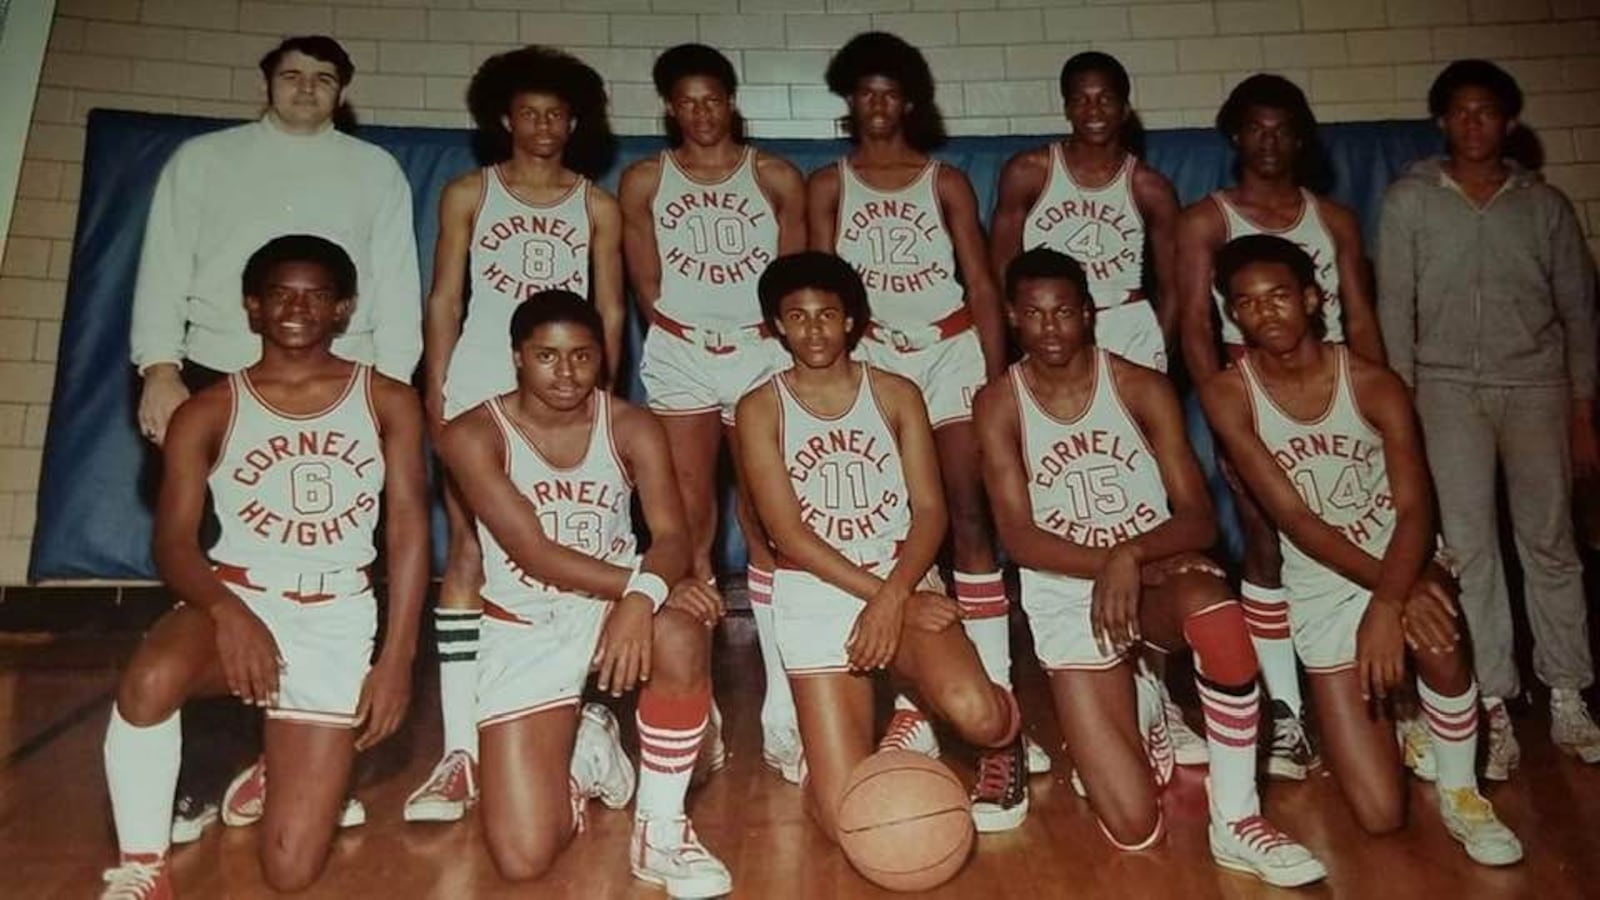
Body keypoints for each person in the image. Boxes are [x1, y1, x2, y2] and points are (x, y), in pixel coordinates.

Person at [129, 34, 421, 838]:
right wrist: (158, 366)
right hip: (222, 377)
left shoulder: (373, 171)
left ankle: (299, 754)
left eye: (323, 79)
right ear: (267, 82)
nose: (306, 89)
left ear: (342, 92)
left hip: (341, 390)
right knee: (213, 583)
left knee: (328, 556)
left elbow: (396, 278)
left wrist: (383, 396)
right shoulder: (204, 159)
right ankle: (202, 770)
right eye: (292, 75)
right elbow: (162, 263)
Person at [974, 248, 1323, 885]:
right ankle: (1144, 702)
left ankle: (1238, 820)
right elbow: (1019, 538)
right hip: (1065, 595)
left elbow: (1198, 518)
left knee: (1217, 612)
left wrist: (1133, 556)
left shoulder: (1139, 386)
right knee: (1134, 829)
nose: (1050, 329)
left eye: (1064, 313)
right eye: (1034, 315)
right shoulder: (999, 403)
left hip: (1156, 577)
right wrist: (1113, 563)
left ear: (1088, 313)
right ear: (1012, 318)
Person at [99, 235, 429, 899]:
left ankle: (276, 766)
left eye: (315, 295)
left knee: (290, 870)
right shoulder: (209, 410)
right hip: (240, 600)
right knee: (150, 678)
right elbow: (173, 545)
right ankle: (145, 868)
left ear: (342, 310)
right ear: (252, 307)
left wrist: (395, 661)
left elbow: (409, 533)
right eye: (280, 293)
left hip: (337, 616)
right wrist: (228, 611)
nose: (296, 307)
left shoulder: (387, 399)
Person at [1201, 234, 1524, 867]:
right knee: (1378, 816)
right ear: (1232, 315)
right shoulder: (1227, 394)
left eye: (1280, 297)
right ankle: (1402, 721)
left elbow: (1414, 509)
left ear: (1314, 298)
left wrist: (1394, 598)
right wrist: (1385, 601)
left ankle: (1463, 790)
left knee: (1434, 624)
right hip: (1320, 577)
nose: (1266, 313)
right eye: (1247, 303)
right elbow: (1293, 517)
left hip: (1398, 553)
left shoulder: (1374, 383)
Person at [808, 32, 1035, 826]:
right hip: (867, 357)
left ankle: (993, 685)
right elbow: (818, 284)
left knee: (968, 515)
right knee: (895, 516)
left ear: (910, 102)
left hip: (945, 349)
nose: (877, 106)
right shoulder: (829, 184)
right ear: (849, 102)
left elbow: (980, 276)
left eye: (890, 93)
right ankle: (917, 694)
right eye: (863, 93)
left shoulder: (943, 181)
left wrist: (997, 370)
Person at [438, 291, 731, 897]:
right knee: (522, 857)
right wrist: (639, 590)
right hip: (524, 623)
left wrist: (645, 598)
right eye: (547, 356)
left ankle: (660, 831)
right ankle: (589, 751)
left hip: (610, 608)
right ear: (517, 356)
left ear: (605, 358)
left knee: (680, 630)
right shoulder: (471, 435)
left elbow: (673, 534)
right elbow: (532, 553)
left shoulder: (629, 424)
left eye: (582, 356)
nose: (566, 373)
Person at [735, 251, 1024, 842]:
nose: (813, 329)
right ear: (776, 326)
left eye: (827, 315)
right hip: (814, 593)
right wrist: (889, 600)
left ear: (851, 321)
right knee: (850, 818)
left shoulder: (895, 393)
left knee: (978, 712)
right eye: (797, 316)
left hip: (904, 575)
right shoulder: (759, 408)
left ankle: (1002, 738)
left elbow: (931, 510)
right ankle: (849, 737)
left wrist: (897, 596)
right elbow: (785, 533)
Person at [412, 45, 624, 822]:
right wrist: (438, 391)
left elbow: (611, 311)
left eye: (556, 114)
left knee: (580, 545)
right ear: (505, 118)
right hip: (480, 380)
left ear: (576, 122)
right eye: (528, 113)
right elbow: (444, 297)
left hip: (568, 383)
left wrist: (605, 398)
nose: (543, 126)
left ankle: (579, 717)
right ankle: (459, 749)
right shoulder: (471, 192)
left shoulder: (597, 206)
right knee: (470, 550)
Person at [1377, 59, 1600, 779]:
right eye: (1461, 112)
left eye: (1488, 112)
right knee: (1468, 550)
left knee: (1550, 542)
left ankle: (1568, 692)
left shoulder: (1545, 205)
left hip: (1536, 385)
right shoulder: (1411, 200)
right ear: (1442, 121)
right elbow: (1394, 312)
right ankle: (1494, 707)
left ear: (1509, 122)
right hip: (1444, 392)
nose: (1474, 124)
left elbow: (1579, 313)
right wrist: (1402, 412)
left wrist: (1582, 409)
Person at [989, 49, 1205, 770]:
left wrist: (1160, 349)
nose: (1094, 110)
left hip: (1123, 328)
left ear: (1124, 102)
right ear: (1066, 105)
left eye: (1106, 97)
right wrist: (1005, 354)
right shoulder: (1030, 172)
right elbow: (1000, 273)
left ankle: (1162, 695)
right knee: (1068, 495)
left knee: (1144, 505)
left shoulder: (1146, 184)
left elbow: (1175, 276)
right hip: (1053, 322)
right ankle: (1104, 681)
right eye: (1081, 98)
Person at [1176, 74, 1383, 780]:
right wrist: (1225, 414)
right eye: (1254, 129)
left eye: (1281, 130)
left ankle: (1388, 698)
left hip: (1332, 393)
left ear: (1300, 138)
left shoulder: (1335, 221)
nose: (1268, 143)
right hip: (1250, 398)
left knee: (1361, 526)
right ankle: (1287, 712)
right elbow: (1194, 329)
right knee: (1266, 545)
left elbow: (1361, 320)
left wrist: (1378, 412)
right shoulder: (1207, 219)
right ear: (1236, 136)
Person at [619, 43, 809, 783]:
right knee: (689, 522)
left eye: (712, 99)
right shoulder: (644, 181)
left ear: (732, 102)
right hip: (682, 350)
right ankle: (702, 714)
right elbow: (645, 285)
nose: (700, 113)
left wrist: (758, 342)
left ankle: (784, 709)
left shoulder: (774, 177)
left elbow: (794, 280)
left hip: (762, 349)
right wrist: (687, 333)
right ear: (670, 107)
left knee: (769, 520)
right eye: (685, 101)